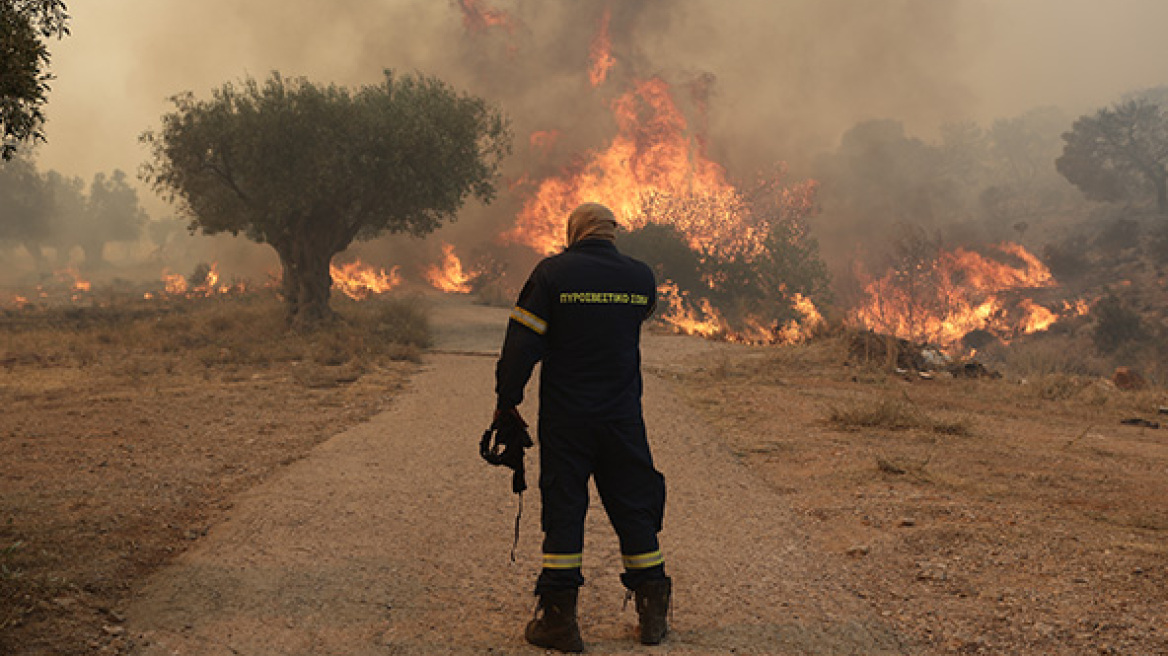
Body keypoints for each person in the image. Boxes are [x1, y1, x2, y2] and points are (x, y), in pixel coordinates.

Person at [493, 202, 671, 652]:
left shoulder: (553, 274)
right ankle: (653, 617)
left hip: (567, 419)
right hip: (623, 418)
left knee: (566, 506)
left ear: (574, 231)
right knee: (633, 505)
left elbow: (521, 344)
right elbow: (636, 319)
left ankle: (559, 621)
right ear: (613, 232)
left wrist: (506, 401)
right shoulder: (640, 277)